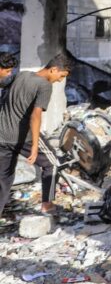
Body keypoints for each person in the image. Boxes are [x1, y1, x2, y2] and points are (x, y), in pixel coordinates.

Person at [0, 52, 73, 218]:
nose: (60, 80)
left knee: (3, 179)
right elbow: (36, 116)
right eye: (61, 76)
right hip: (23, 136)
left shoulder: (22, 74)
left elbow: (2, 83)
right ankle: (47, 205)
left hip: (2, 135)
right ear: (53, 69)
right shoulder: (44, 86)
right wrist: (34, 147)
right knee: (52, 163)